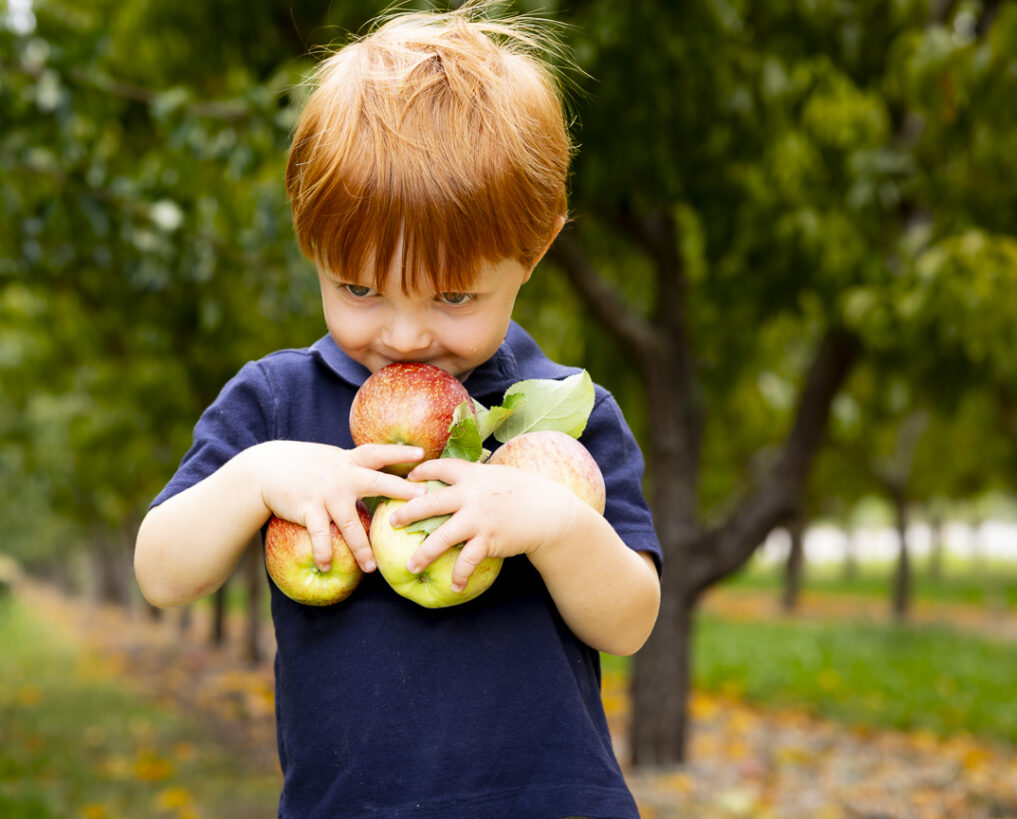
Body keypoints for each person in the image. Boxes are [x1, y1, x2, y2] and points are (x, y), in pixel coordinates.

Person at [134, 3, 662, 817]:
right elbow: (163, 571)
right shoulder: (279, 404)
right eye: (359, 289)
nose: (407, 332)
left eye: (454, 295)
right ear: (313, 245)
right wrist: (259, 475)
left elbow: (629, 620)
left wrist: (554, 524)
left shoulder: (558, 417)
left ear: (537, 247)